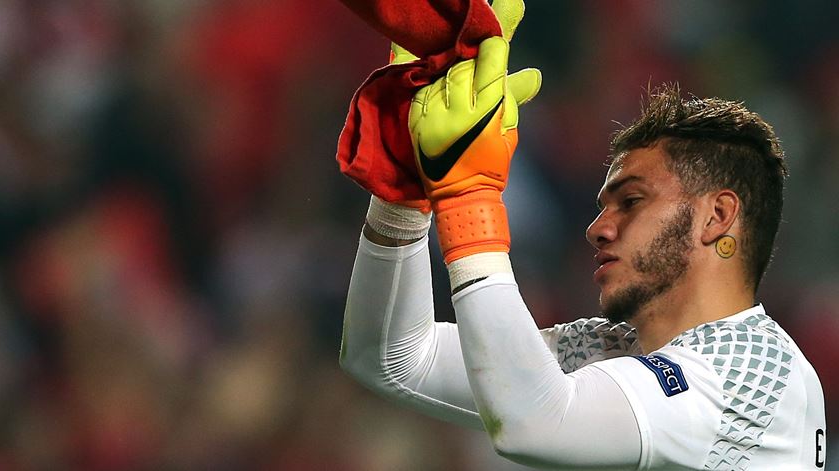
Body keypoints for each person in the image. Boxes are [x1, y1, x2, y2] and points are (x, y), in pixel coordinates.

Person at [338, 5, 827, 469]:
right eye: (603, 206)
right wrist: (404, 194)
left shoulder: (756, 373)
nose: (597, 228)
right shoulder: (608, 348)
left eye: (631, 201)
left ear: (717, 216)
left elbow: (535, 425)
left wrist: (469, 194)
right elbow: (392, 357)